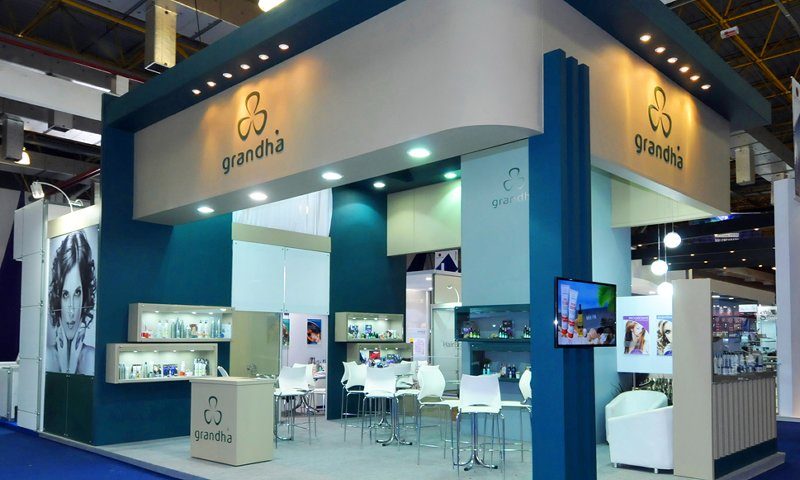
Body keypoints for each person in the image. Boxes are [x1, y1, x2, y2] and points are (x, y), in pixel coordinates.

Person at [46, 230, 96, 375]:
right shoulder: (46, 357)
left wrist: (72, 363)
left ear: (85, 296)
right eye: (65, 294)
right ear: (58, 298)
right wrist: (66, 365)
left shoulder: (91, 358)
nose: (72, 310)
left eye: (77, 293)